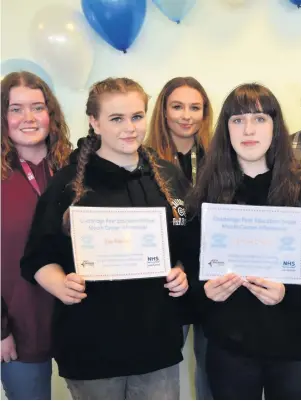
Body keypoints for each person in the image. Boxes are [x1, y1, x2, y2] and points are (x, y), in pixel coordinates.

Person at [20, 77, 192, 400]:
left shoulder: (167, 176)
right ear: (94, 122)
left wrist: (182, 272)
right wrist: (60, 284)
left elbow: (186, 247)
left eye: (137, 116)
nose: (130, 128)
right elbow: (37, 256)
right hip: (90, 347)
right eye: (116, 119)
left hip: (156, 346)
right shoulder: (68, 183)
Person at [186, 83, 301, 400]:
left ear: (275, 127)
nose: (248, 130)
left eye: (259, 119)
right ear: (225, 129)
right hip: (231, 345)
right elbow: (188, 268)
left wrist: (289, 291)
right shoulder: (206, 197)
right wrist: (205, 291)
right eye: (238, 120)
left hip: (295, 343)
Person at [1, 71, 72, 400]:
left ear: (51, 114)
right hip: (18, 324)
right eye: (16, 109)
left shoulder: (76, 171)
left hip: (79, 319)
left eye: (37, 107)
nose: (28, 118)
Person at [146, 76, 214, 399]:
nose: (186, 115)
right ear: (163, 111)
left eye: (194, 107)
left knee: (212, 370)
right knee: (160, 376)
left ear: (205, 113)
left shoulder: (219, 159)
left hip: (210, 280)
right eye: (177, 106)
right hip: (167, 282)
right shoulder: (143, 161)